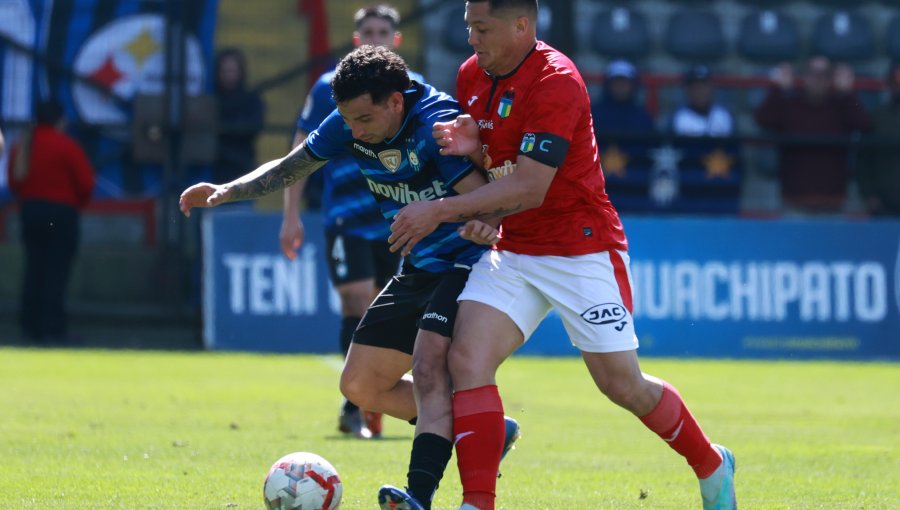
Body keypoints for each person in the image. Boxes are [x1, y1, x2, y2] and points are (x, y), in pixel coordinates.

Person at [385, 2, 736, 509]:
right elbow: (499, 165)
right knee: (466, 359)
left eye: (481, 28)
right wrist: (474, 149)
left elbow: (529, 186)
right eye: (468, 27)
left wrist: (439, 211)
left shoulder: (557, 80)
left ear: (521, 25)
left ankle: (711, 464)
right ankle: (477, 502)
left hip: (580, 246)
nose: (472, 39)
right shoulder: (471, 75)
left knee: (622, 385)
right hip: (515, 249)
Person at [179, 45, 518, 510]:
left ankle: (417, 496)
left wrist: (483, 219)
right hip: (420, 265)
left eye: (363, 119)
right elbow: (288, 167)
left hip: (468, 263)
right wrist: (224, 192)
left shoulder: (433, 125)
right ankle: (484, 428)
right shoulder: (348, 122)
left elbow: (485, 196)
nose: (353, 132)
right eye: (347, 120)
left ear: (395, 101)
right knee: (361, 387)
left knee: (428, 369)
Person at [280, 3, 422, 439]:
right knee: (356, 302)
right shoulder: (329, 87)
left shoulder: (413, 91)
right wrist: (291, 216)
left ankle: (375, 395)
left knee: (383, 311)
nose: (375, 36)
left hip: (396, 222)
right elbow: (300, 150)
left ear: (395, 40)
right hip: (345, 217)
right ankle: (354, 405)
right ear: (356, 38)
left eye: (384, 31)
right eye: (368, 31)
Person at [6, 100, 95, 344]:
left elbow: (15, 183)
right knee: (56, 273)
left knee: (34, 269)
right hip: (62, 215)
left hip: (31, 212)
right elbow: (86, 184)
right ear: (60, 120)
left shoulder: (23, 145)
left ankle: (29, 326)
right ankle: (53, 329)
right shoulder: (67, 146)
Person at [754, 56, 871, 214]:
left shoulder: (842, 105)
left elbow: (864, 125)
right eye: (813, 74)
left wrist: (848, 93)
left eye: (824, 75)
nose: (818, 80)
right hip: (794, 201)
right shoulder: (790, 105)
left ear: (831, 79)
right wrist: (777, 89)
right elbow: (763, 120)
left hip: (833, 202)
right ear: (804, 77)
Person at [664, 65, 741, 214]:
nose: (700, 91)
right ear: (687, 90)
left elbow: (736, 156)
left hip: (723, 191)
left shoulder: (724, 117)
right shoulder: (678, 119)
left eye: (704, 86)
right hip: (689, 192)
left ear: (711, 88)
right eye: (695, 87)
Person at [213, 48, 266, 184]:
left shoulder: (252, 100)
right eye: (224, 71)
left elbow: (254, 128)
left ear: (241, 72)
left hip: (243, 172)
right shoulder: (210, 100)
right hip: (214, 173)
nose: (228, 76)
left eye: (232, 71)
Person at [858, 61, 900, 216]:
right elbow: (863, 160)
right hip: (885, 203)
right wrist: (869, 194)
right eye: (896, 80)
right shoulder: (876, 118)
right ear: (889, 83)